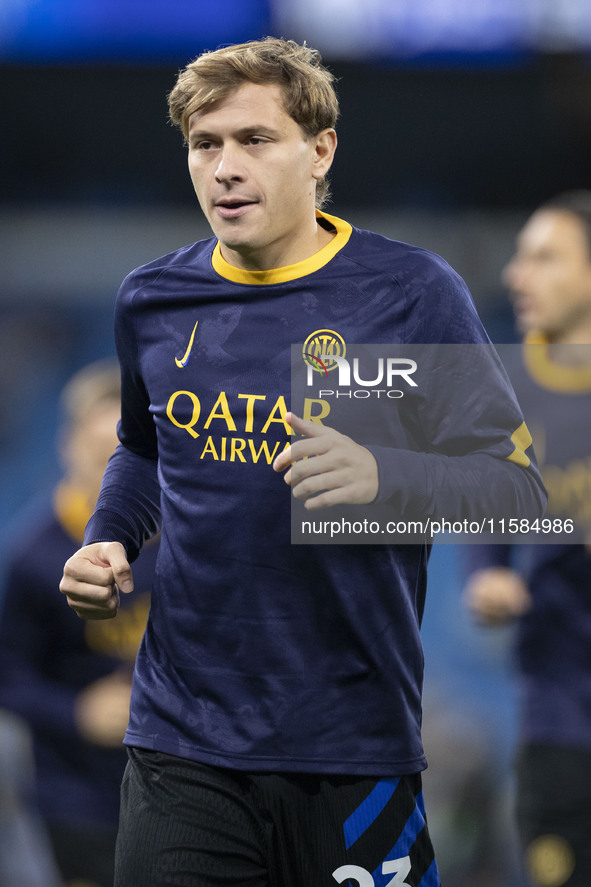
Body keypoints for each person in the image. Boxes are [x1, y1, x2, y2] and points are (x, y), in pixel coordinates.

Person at [59, 38, 546, 887]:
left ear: (319, 150)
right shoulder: (153, 298)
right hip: (183, 744)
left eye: (254, 140)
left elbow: (517, 491)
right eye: (204, 144)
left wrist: (384, 479)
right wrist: (111, 538)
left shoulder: (409, 293)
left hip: (352, 748)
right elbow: (143, 447)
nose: (224, 168)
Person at [464, 191, 591, 887]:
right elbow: (486, 542)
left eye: (543, 257)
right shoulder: (500, 392)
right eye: (517, 257)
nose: (515, 274)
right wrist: (486, 584)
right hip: (558, 719)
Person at [0, 360, 158, 887]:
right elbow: (9, 676)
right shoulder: (34, 557)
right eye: (100, 459)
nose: (114, 479)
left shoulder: (179, 543)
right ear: (67, 446)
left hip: (173, 786)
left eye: (128, 460)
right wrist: (77, 712)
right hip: (77, 799)